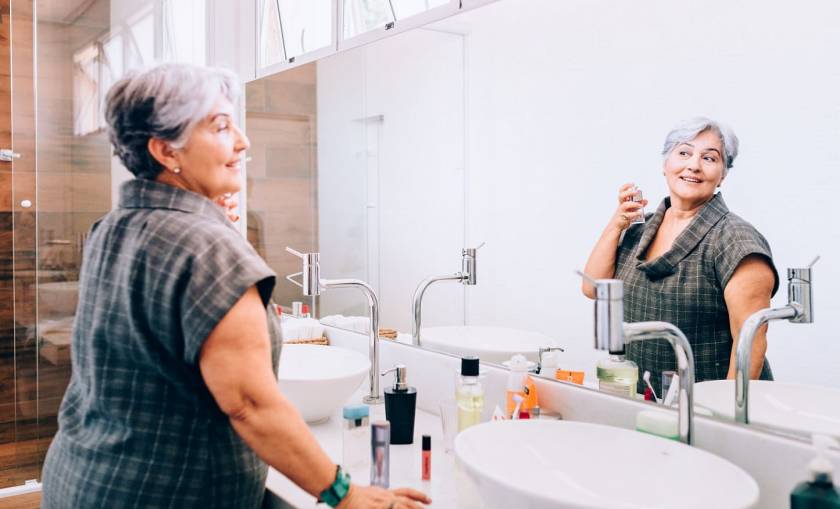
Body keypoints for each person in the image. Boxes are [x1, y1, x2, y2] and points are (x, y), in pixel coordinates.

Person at [41, 63, 430, 509]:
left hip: (83, 477)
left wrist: (207, 220)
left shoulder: (110, 228)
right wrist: (345, 494)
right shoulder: (204, 248)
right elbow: (250, 404)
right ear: (167, 151)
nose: (243, 141)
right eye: (222, 126)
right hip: (164, 494)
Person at [582, 117, 779, 395]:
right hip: (645, 396)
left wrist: (726, 415)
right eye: (684, 152)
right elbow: (593, 288)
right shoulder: (639, 228)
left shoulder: (736, 240)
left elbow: (752, 340)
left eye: (709, 158)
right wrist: (616, 224)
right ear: (665, 165)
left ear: (723, 174)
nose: (694, 165)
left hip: (710, 406)